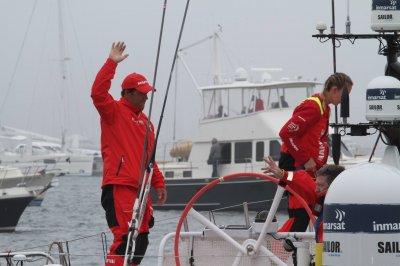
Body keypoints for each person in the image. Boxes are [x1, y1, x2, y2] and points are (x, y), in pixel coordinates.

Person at [91, 42, 167, 266]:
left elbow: (149, 159)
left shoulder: (147, 123)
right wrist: (111, 63)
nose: (146, 98)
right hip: (119, 186)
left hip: (141, 190)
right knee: (125, 238)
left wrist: (159, 183)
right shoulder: (112, 111)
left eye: (147, 93)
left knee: (141, 240)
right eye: (142, 94)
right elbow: (97, 93)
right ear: (128, 93)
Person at [278, 72, 353, 232]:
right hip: (296, 165)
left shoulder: (325, 109)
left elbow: (318, 140)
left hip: (311, 169)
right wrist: (305, 159)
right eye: (345, 95)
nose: (345, 101)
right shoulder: (313, 107)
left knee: (317, 210)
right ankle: (285, 250)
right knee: (300, 215)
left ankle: (310, 251)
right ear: (334, 90)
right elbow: (286, 133)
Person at [262, 155, 345, 242]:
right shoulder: (321, 199)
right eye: (316, 184)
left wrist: (284, 175)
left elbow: (303, 181)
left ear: (335, 185)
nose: (316, 189)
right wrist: (283, 174)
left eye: (320, 185)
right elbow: (301, 181)